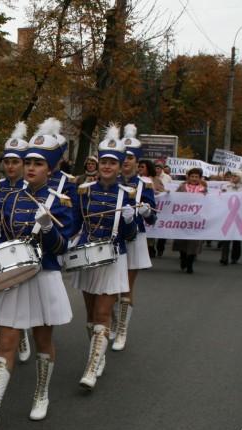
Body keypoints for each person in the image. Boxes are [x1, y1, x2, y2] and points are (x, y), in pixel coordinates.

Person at [0, 119, 74, 430]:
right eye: (28, 163)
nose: (30, 168)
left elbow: (61, 247)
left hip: (44, 276)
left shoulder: (60, 201)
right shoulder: (10, 198)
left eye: (37, 164)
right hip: (15, 276)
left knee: (43, 341)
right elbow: (5, 238)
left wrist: (48, 227)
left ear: (50, 169)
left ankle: (41, 394)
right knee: (6, 343)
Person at [70, 125, 136, 389]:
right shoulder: (84, 191)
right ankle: (98, 356)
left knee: (102, 312)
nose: (107, 166)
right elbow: (74, 224)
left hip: (113, 258)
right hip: (87, 257)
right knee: (90, 315)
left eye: (112, 163)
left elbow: (130, 235)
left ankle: (90, 368)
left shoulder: (126, 195)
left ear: (119, 167)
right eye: (104, 162)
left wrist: (130, 221)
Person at [0, 122, 32, 371]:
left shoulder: (31, 189)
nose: (10, 166)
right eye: (7, 162)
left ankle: (20, 337)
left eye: (16, 162)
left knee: (17, 298)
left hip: (22, 249)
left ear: (23, 164)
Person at [111, 124, 156, 352]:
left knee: (126, 288)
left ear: (138, 162)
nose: (126, 161)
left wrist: (146, 212)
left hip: (134, 239)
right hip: (112, 238)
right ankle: (112, 321)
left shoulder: (144, 185)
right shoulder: (110, 182)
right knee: (110, 286)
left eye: (130, 158)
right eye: (124, 157)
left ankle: (122, 330)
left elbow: (153, 218)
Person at [173, 168, 206, 273]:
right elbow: (175, 199)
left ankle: (190, 263)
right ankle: (183, 258)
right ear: (188, 177)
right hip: (183, 218)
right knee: (182, 240)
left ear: (200, 178)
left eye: (196, 177)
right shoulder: (182, 187)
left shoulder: (203, 189)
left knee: (194, 241)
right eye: (192, 176)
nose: (194, 178)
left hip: (196, 220)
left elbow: (208, 202)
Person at [219, 170, 242, 265]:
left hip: (239, 216)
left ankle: (235, 257)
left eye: (236, 176)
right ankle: (224, 258)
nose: (233, 177)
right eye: (232, 176)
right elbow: (220, 198)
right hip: (227, 214)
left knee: (236, 238)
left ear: (240, 178)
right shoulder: (225, 186)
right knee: (225, 236)